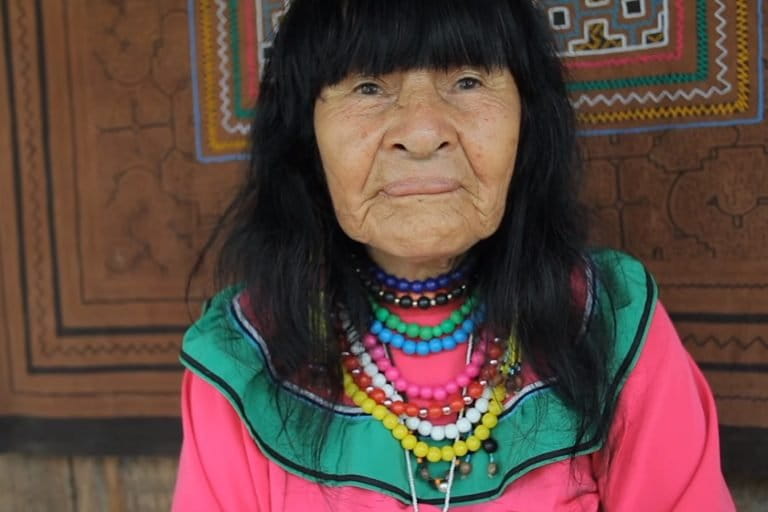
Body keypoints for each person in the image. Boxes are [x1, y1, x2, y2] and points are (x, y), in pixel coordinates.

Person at [172, 1, 735, 510]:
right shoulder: (241, 360)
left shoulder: (611, 323)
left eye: (467, 80)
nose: (421, 133)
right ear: (305, 137)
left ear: (527, 123)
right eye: (368, 87)